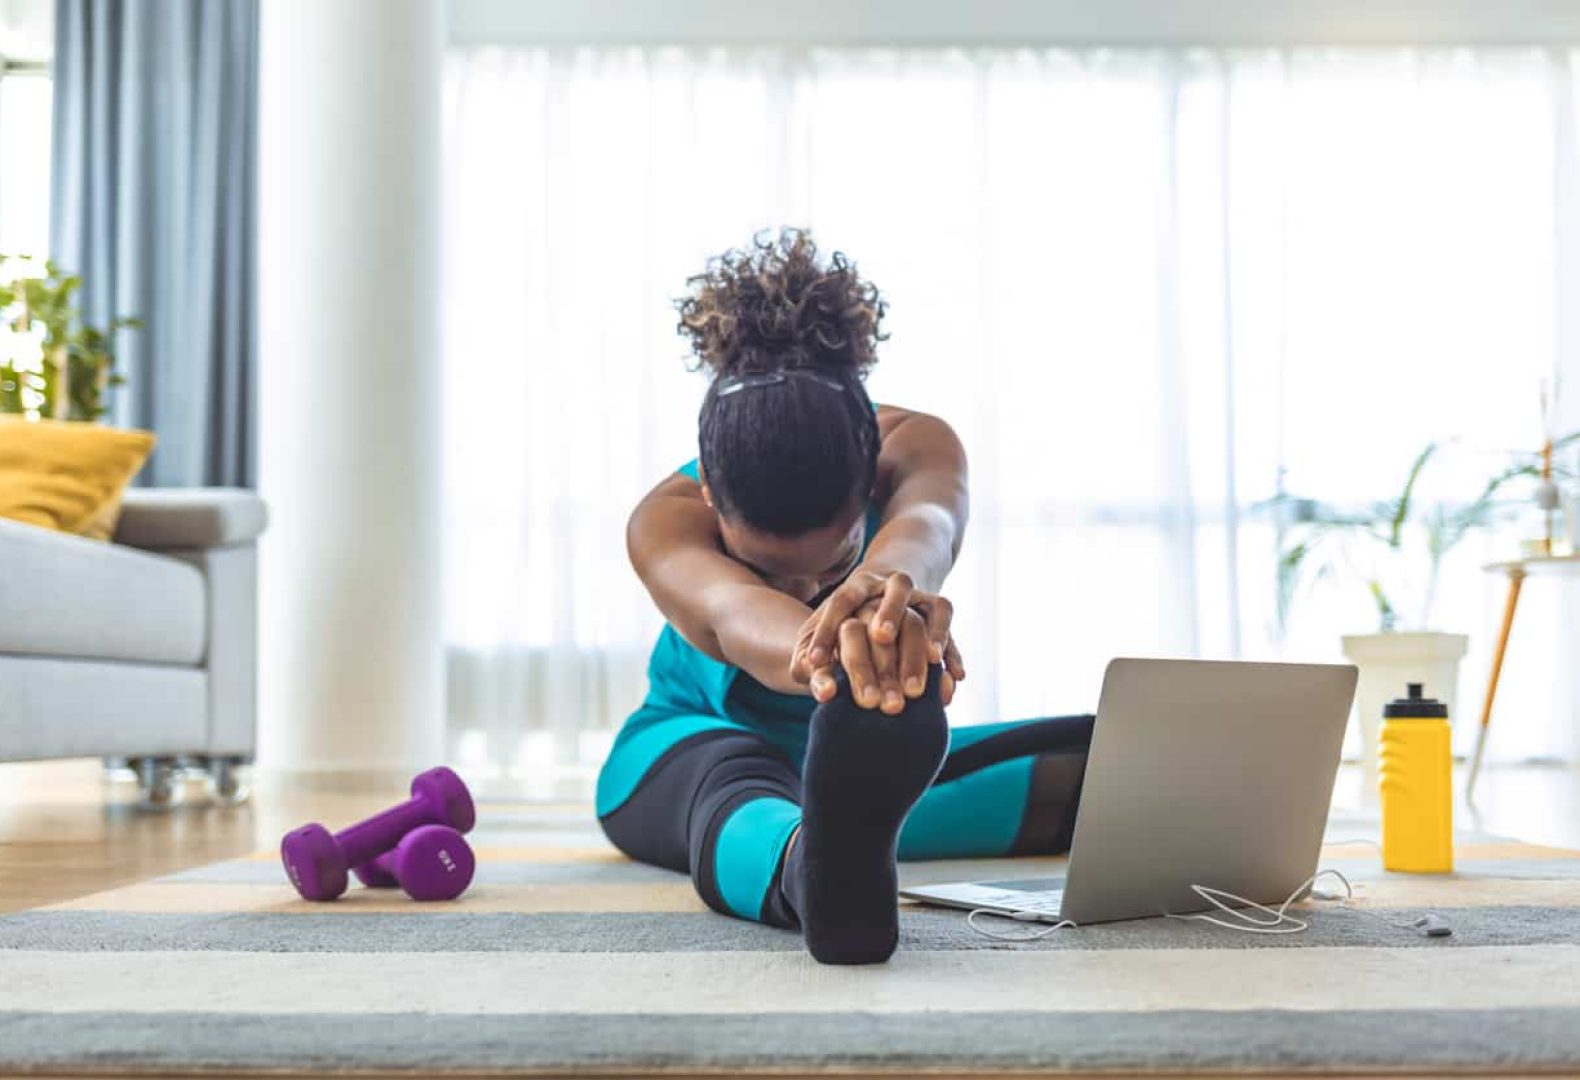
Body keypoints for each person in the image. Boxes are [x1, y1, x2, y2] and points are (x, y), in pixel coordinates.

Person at [597, 229, 1092, 964]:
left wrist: (884, 593)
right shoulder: (662, 522)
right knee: (735, 780)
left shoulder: (917, 446)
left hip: (852, 761)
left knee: (1111, 757)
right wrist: (841, 644)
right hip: (689, 750)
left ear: (870, 482)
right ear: (708, 495)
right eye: (769, 571)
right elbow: (735, 618)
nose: (807, 592)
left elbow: (927, 528)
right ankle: (813, 873)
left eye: (831, 563)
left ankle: (849, 821)